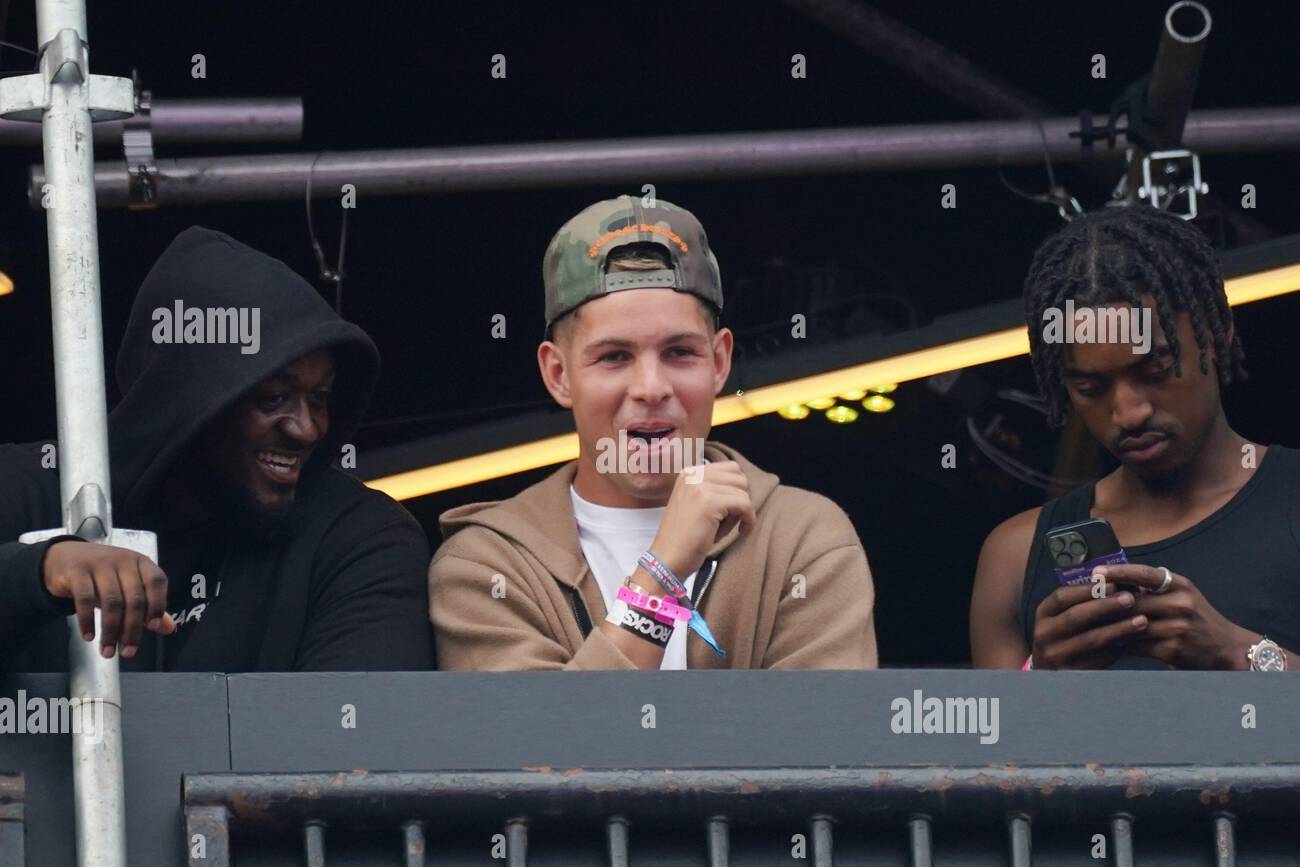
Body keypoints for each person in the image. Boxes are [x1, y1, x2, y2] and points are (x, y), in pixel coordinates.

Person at [429, 195, 878, 670]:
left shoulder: (802, 537)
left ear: (720, 362)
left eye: (679, 353)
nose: (650, 388)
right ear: (558, 374)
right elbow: (538, 743)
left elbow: (822, 741)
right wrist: (661, 574)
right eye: (614, 357)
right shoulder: (486, 564)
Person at [0, 226, 434, 672]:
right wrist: (34, 576)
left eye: (319, 398)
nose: (306, 429)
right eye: (273, 399)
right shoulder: (27, 491)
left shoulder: (357, 535)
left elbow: (360, 731)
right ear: (183, 403)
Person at [971, 205, 1299, 672]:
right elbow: (994, 745)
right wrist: (1043, 690)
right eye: (1090, 389)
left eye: (1155, 371)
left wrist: (1238, 655)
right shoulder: (1015, 555)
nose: (1128, 413)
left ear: (1219, 332)